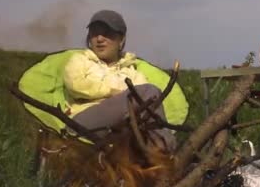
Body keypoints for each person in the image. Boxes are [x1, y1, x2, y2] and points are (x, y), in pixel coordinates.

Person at [62, 10, 176, 151]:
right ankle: (169, 150)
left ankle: (160, 155)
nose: (99, 39)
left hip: (121, 127)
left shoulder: (132, 73)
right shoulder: (79, 60)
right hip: (83, 122)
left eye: (107, 33)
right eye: (94, 33)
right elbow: (76, 85)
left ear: (121, 40)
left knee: (148, 99)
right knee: (150, 92)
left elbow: (144, 103)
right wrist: (113, 92)